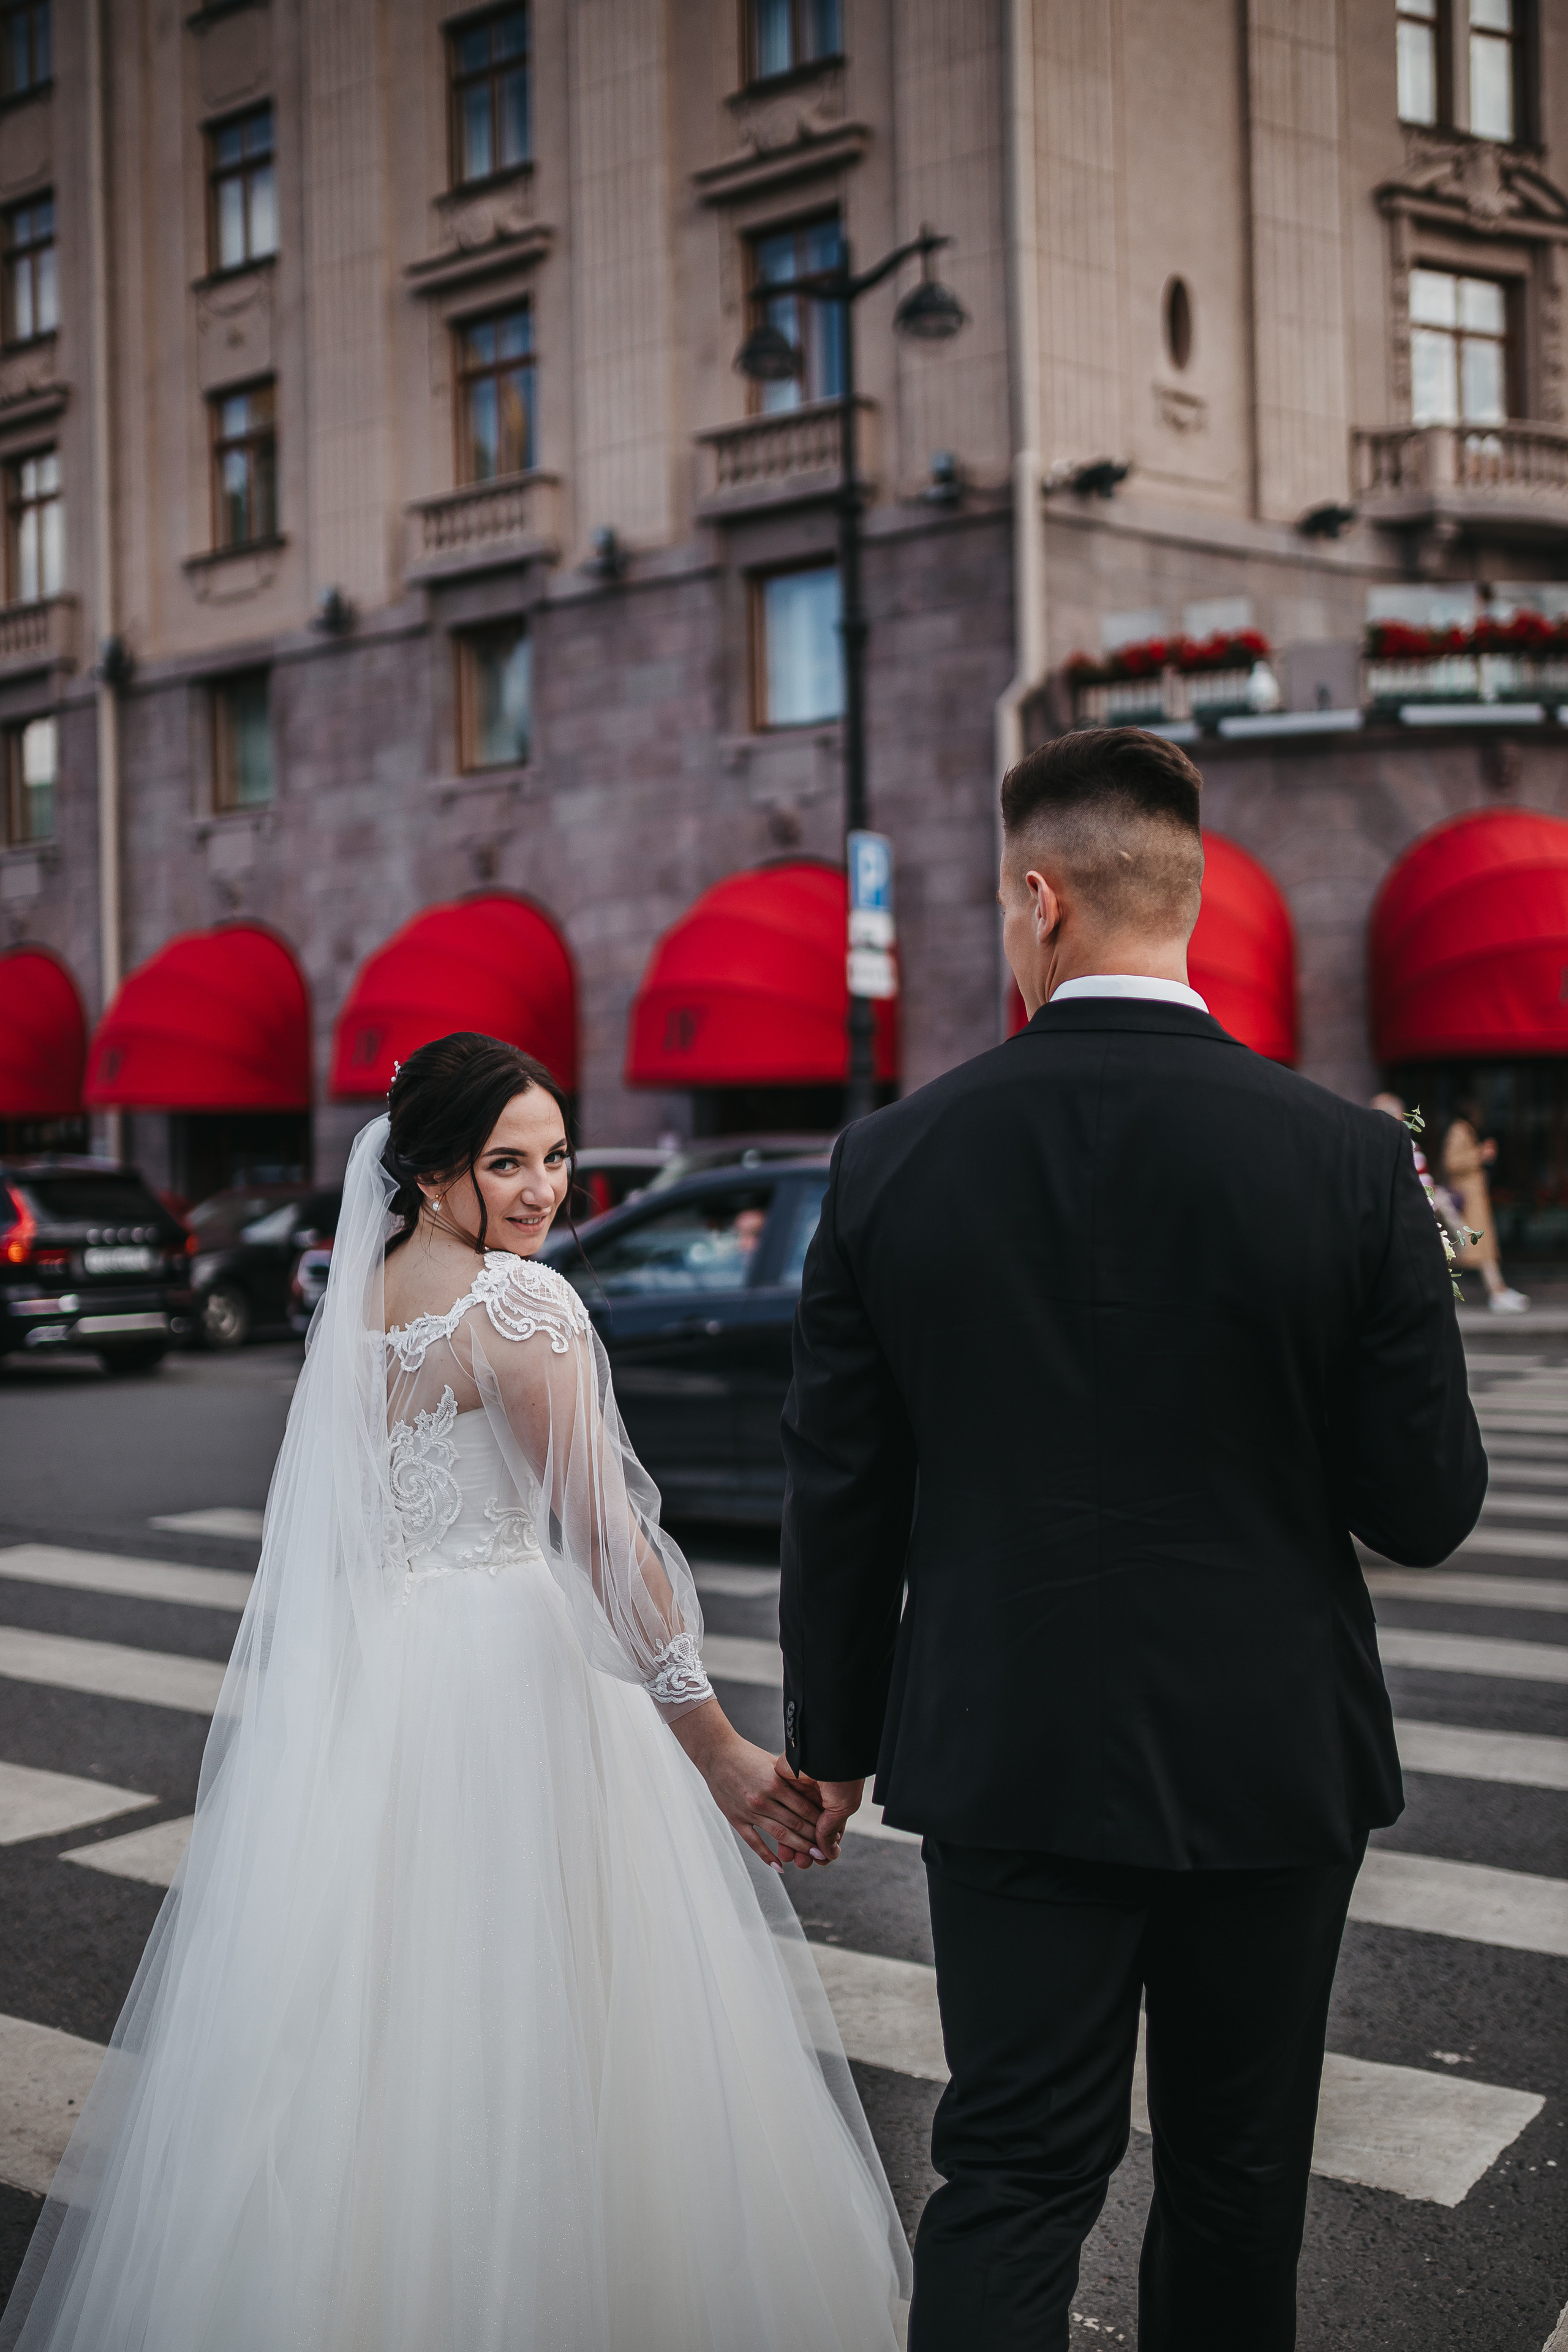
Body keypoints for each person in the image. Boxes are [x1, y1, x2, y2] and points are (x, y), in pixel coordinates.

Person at [1, 1033, 909, 2352]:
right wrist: (712, 1745)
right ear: (431, 1172)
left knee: (382, 2025)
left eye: (555, 1158)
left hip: (387, 1689)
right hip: (511, 1679)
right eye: (507, 1163)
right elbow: (605, 1548)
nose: (544, 1190)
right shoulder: (522, 1309)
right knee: (556, 2012)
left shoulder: (359, 1299)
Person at [778, 729, 1486, 2352]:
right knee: (1241, 2180)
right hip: (1269, 1753)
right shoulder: (1349, 1164)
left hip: (1009, 1745)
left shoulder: (893, 1159)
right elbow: (1427, 1505)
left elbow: (840, 1490)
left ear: (1043, 900)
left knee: (1013, 2175)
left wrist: (830, 1739)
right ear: (1188, 894)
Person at [1439, 1109, 1529, 1315]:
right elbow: (1452, 1163)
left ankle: (1499, 1291)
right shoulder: (1458, 1130)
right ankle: (1497, 1293)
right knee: (1466, 1248)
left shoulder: (1465, 1130)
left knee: (1476, 1249)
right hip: (1467, 1201)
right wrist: (1480, 1153)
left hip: (1474, 1201)